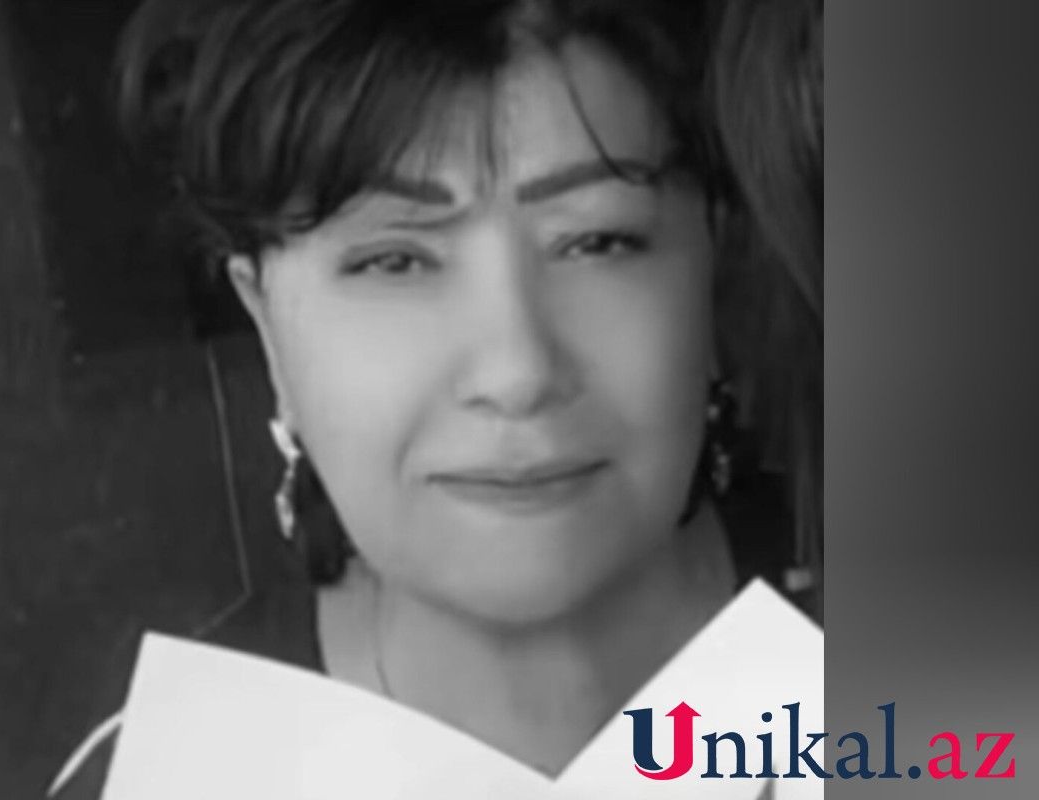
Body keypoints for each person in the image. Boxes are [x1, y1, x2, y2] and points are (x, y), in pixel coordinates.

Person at [47, 0, 822, 796]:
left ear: (716, 275)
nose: (517, 373)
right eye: (395, 261)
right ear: (268, 328)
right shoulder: (163, 776)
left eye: (596, 242)